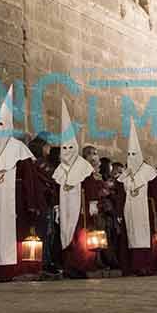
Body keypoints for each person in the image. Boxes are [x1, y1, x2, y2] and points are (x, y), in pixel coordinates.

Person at [0, 88, 50, 281]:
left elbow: (29, 178)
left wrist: (30, 202)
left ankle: (12, 269)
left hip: (14, 201)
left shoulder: (19, 148)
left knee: (14, 234)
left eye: (2, 124)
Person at [53, 101, 102, 279]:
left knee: (80, 237)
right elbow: (56, 187)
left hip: (81, 209)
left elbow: (90, 185)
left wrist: (93, 203)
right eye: (64, 148)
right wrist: (57, 207)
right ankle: (69, 266)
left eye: (70, 148)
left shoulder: (84, 166)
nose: (67, 151)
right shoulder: (60, 169)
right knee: (66, 235)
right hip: (65, 207)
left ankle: (81, 266)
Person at [116, 120, 157, 276]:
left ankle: (146, 265)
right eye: (129, 155)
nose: (131, 157)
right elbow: (121, 195)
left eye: (134, 154)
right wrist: (119, 212)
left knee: (146, 236)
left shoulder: (148, 172)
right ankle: (132, 266)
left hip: (145, 210)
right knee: (131, 236)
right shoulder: (124, 176)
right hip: (129, 211)